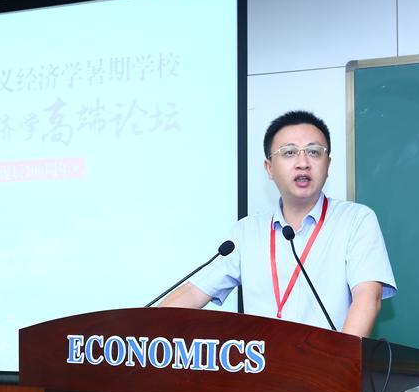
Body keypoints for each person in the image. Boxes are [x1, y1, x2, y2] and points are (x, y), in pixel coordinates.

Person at [160, 110, 395, 339]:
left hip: (329, 363)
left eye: (314, 152)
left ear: (328, 164)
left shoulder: (356, 220)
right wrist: (144, 330)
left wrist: (341, 360)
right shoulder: (247, 232)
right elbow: (194, 292)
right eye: (289, 152)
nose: (303, 163)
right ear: (269, 168)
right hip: (262, 363)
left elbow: (368, 296)